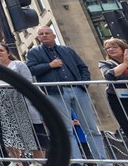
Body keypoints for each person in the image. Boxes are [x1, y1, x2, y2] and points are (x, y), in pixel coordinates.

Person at [26, 27, 110, 166]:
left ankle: (103, 162)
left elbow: (83, 67)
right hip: (55, 93)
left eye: (47, 33)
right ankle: (77, 163)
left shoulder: (67, 50)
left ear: (54, 35)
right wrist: (49, 65)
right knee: (66, 130)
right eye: (41, 34)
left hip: (78, 91)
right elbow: (31, 70)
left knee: (91, 128)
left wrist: (83, 84)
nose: (44, 35)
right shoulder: (34, 52)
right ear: (38, 38)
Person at [0, 43, 45, 166]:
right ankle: (16, 161)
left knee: (34, 133)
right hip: (5, 106)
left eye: (1, 50)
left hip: (24, 103)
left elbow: (28, 81)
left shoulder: (19, 65)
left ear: (8, 52)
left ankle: (38, 162)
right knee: (9, 134)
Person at [99, 37, 128, 139]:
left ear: (123, 48)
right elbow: (109, 76)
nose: (111, 49)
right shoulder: (105, 63)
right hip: (118, 98)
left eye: (114, 47)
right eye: (108, 48)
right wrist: (125, 64)